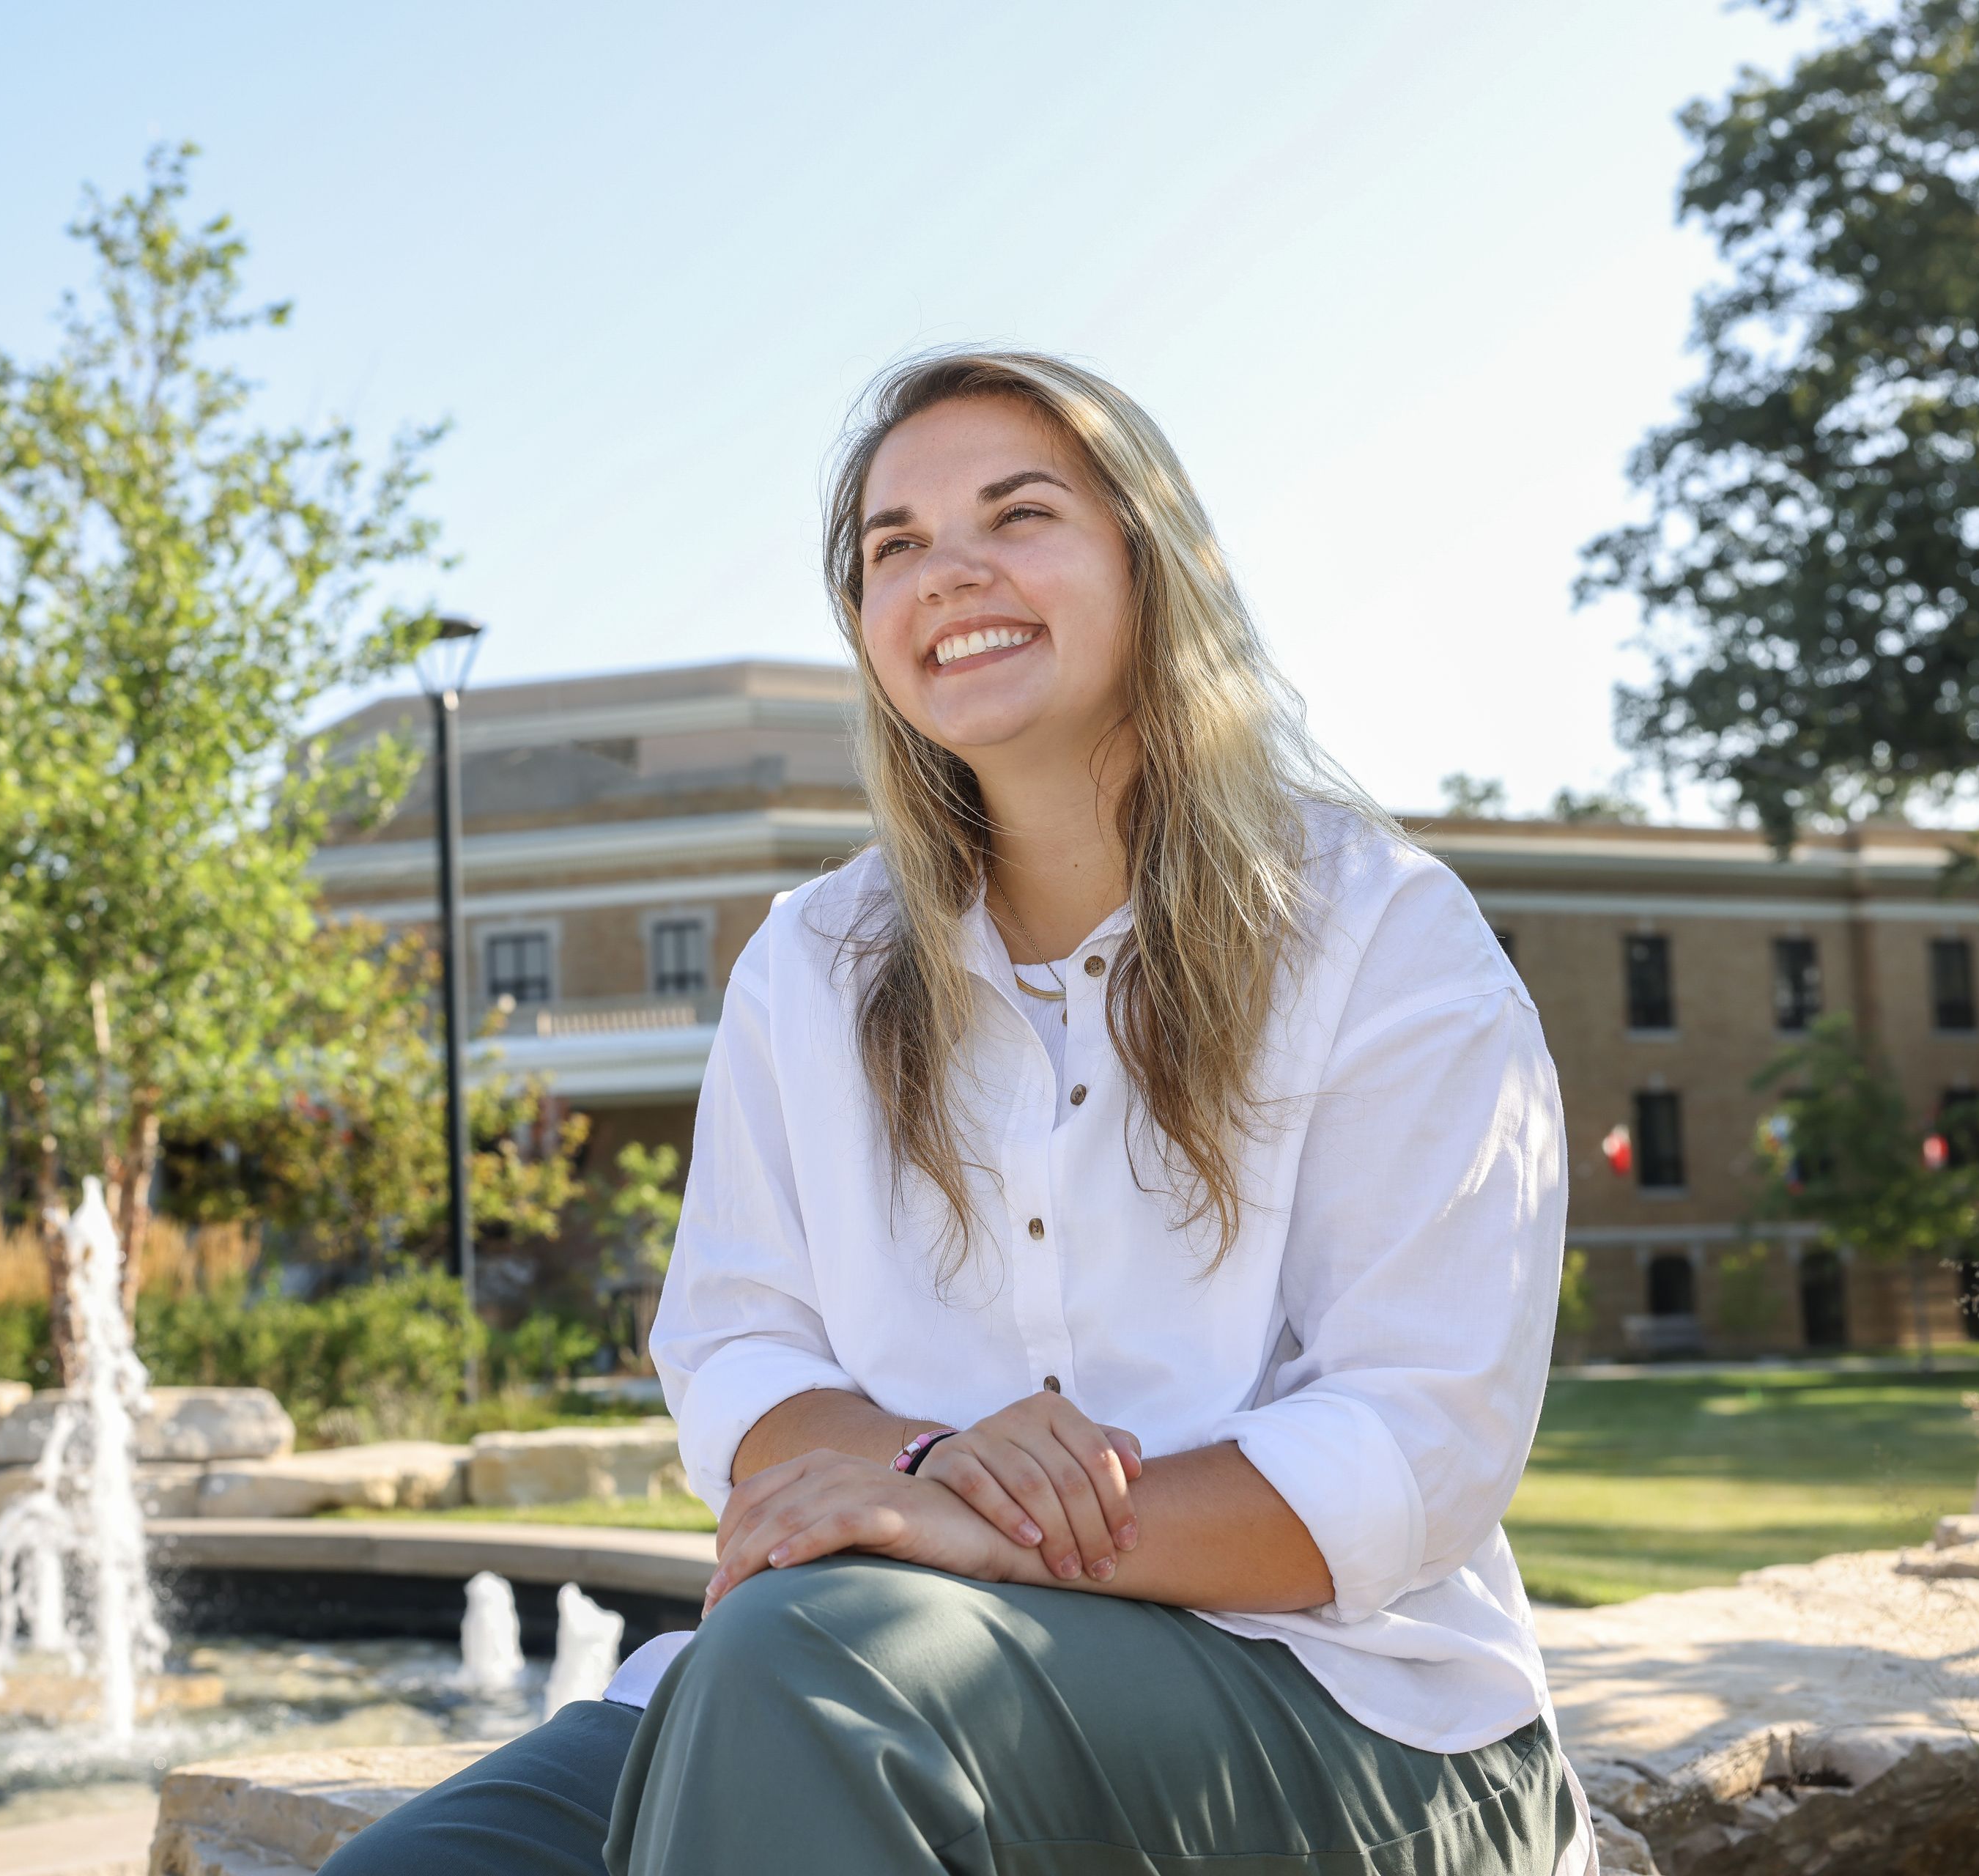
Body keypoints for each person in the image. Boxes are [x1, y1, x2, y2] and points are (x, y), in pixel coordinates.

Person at [325, 350, 1584, 1876]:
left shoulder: (1377, 932)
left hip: (1349, 1714)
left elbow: (1413, 1440)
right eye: (893, 545)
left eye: (1017, 512)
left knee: (816, 1662)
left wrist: (1001, 1530)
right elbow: (739, 1345)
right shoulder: (810, 962)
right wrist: (928, 1468)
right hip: (848, 1668)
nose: (947, 572)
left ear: (1150, 559)